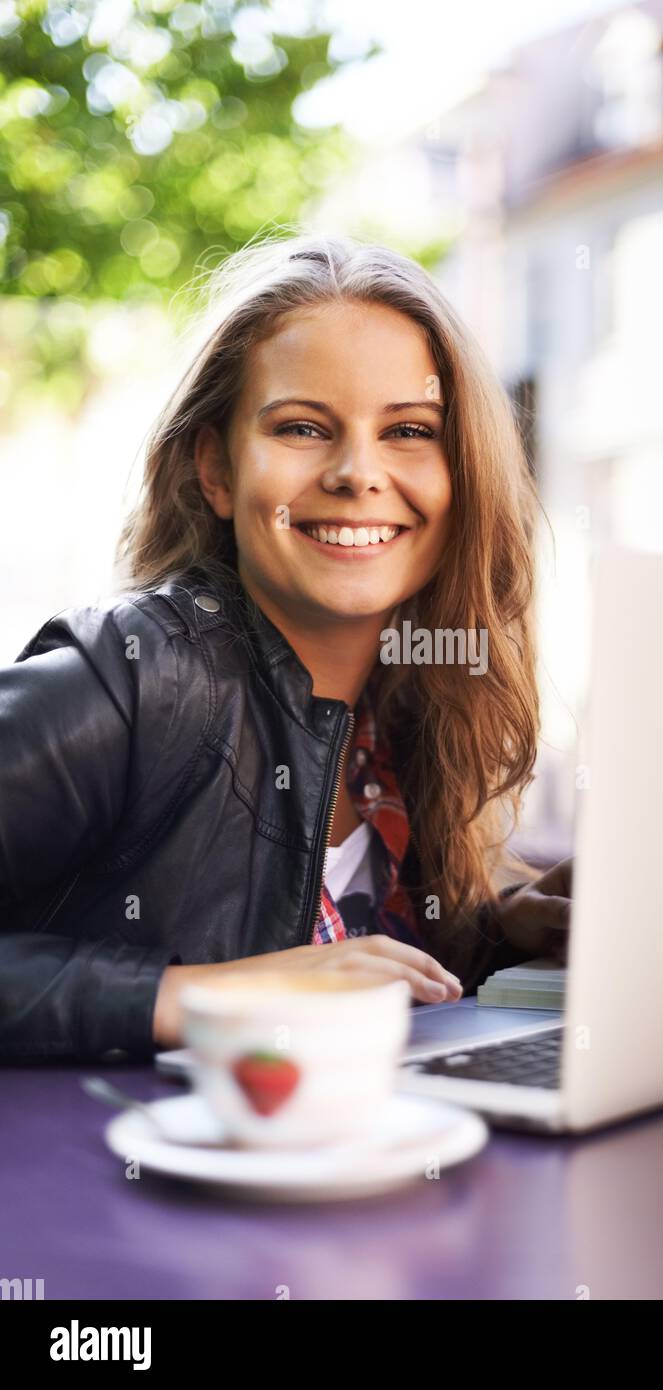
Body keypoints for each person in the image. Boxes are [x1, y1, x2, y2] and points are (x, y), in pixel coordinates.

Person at [0, 230, 571, 1063]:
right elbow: (276, 976)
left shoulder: (418, 698)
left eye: (409, 431)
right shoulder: (136, 675)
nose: (356, 472)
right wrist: (205, 998)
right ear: (216, 470)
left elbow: (343, 960)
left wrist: (501, 932)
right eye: (303, 428)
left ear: (463, 474)